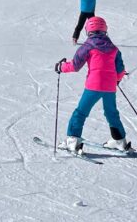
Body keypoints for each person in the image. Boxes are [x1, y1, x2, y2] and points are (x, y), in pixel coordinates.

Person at [54, 16, 129, 154]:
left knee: (81, 112)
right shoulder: (114, 49)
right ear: (105, 30)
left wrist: (61, 67)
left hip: (94, 85)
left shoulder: (88, 46)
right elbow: (120, 70)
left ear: (88, 30)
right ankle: (120, 141)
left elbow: (75, 65)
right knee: (111, 113)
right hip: (110, 87)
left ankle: (72, 141)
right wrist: (116, 80)